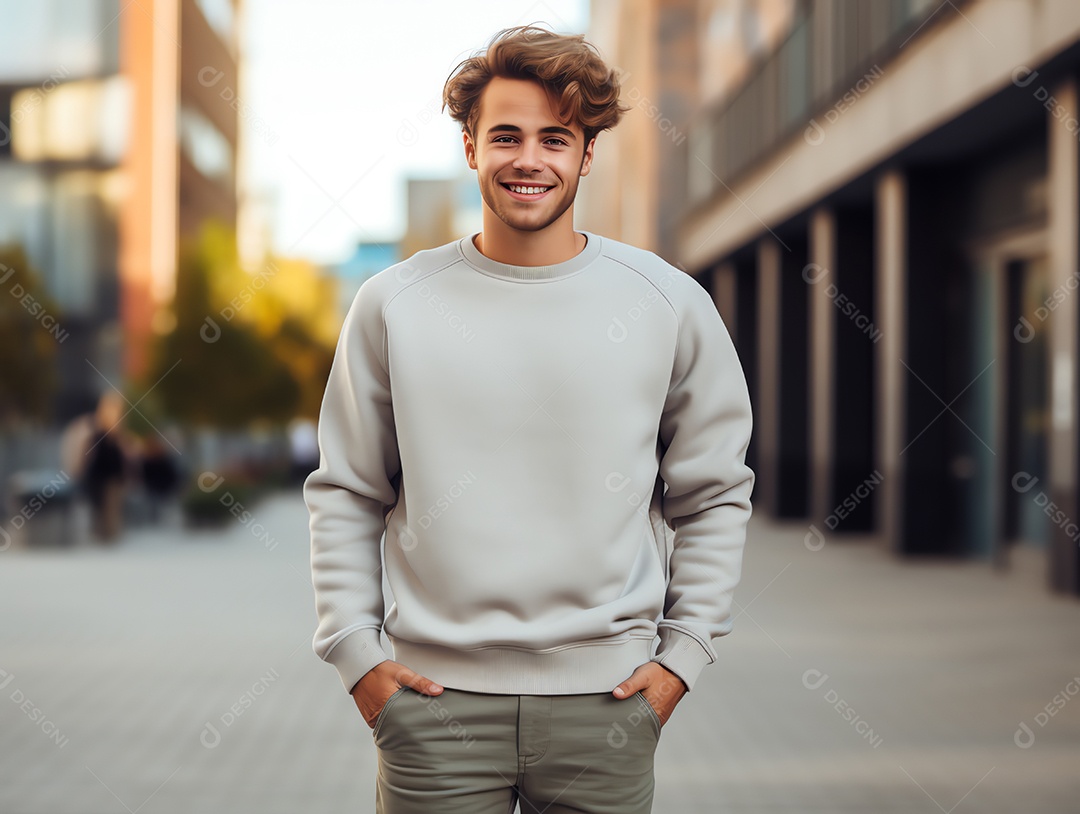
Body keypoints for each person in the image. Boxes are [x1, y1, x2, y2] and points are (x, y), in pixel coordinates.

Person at [305, 24, 755, 814]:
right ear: (471, 146)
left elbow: (715, 492)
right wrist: (358, 657)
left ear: (586, 155)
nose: (529, 159)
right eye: (506, 135)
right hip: (432, 706)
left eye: (557, 138)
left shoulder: (668, 301)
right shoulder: (393, 304)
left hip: (609, 708)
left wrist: (680, 660)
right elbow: (345, 490)